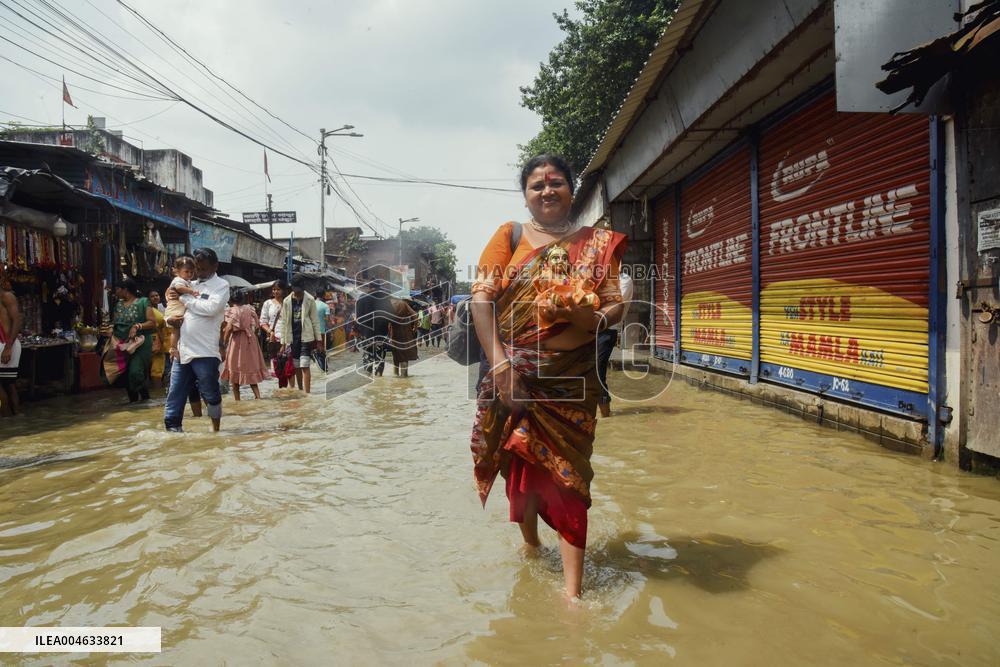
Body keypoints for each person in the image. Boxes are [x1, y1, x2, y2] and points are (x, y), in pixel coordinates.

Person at [469, 154, 627, 600]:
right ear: (525, 195)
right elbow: (481, 302)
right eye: (536, 185)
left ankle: (572, 593)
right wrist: (500, 368)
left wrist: (587, 313)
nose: (546, 191)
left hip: (571, 380)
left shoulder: (597, 243)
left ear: (571, 190)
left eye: (555, 182)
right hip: (514, 375)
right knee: (522, 468)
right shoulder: (510, 236)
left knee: (571, 477)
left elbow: (615, 305)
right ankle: (533, 546)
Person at [163, 248, 230, 433]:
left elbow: (210, 308)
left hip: (205, 351)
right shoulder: (188, 283)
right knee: (175, 393)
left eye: (202, 269)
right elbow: (170, 307)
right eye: (196, 269)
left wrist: (185, 298)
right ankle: (172, 432)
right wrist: (169, 320)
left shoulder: (221, 286)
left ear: (215, 266)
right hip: (183, 350)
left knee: (210, 392)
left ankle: (216, 430)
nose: (198, 273)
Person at [110, 277, 156, 403]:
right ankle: (135, 404)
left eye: (118, 289)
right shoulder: (118, 305)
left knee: (135, 372)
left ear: (125, 290)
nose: (116, 292)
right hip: (122, 344)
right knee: (124, 375)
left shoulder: (143, 302)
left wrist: (137, 326)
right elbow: (116, 323)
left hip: (140, 343)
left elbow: (152, 323)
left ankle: (145, 399)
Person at [596, 269, 633, 418]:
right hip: (587, 328)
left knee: (598, 373)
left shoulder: (624, 280)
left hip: (606, 330)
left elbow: (614, 309)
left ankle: (606, 416)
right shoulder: (596, 278)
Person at [221, 290, 268, 400]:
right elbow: (256, 326)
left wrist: (223, 343)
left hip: (237, 341)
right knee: (251, 368)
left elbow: (228, 329)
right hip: (250, 340)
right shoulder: (249, 309)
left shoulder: (232, 311)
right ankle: (258, 397)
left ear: (231, 300)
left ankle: (237, 401)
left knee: (234, 370)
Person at [280, 274, 321, 393]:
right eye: (295, 290)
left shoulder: (310, 299)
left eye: (299, 290)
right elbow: (284, 322)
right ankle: (300, 390)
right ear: (292, 288)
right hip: (292, 337)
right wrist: (283, 343)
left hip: (306, 337)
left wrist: (318, 341)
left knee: (305, 365)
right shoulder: (287, 301)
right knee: (296, 365)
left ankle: (307, 393)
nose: (297, 293)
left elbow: (315, 321)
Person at [355, 279, 392, 376]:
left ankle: (369, 378)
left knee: (368, 355)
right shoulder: (385, 298)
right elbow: (391, 316)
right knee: (380, 357)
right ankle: (379, 377)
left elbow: (358, 318)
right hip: (381, 333)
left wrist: (359, 332)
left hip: (366, 334)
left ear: (369, 287)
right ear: (379, 287)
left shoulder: (362, 298)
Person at [0, 267, 23, 416]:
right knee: (7, 385)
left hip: (6, 344)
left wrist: (8, 347)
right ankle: (14, 421)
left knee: (8, 385)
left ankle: (11, 420)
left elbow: (17, 320)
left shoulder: (6, 297)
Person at [259, 281, 287, 386]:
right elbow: (262, 321)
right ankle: (278, 394)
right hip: (273, 340)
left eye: (278, 289)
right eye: (274, 289)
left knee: (287, 369)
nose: (275, 291)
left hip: (286, 339)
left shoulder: (288, 303)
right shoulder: (268, 303)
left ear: (283, 290)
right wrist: (270, 332)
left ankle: (288, 392)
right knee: (275, 368)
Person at [389, 297, 418, 377]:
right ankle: (404, 377)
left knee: (396, 355)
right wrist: (415, 328)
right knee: (404, 356)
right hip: (405, 333)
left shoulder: (389, 303)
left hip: (393, 333)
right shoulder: (403, 304)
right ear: (406, 300)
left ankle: (395, 375)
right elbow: (415, 315)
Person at [149, 292, 171, 389]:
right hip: (156, 340)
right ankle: (157, 391)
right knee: (157, 368)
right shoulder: (149, 310)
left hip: (166, 341)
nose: (155, 297)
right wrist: (160, 335)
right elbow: (154, 324)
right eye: (152, 296)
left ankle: (160, 392)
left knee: (163, 367)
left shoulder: (162, 308)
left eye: (157, 295)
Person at [314, 292, 330, 372]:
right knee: (321, 348)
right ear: (323, 295)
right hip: (321, 330)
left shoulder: (311, 304)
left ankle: (318, 365)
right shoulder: (325, 306)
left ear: (315, 295)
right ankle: (323, 367)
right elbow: (327, 319)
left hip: (310, 330)